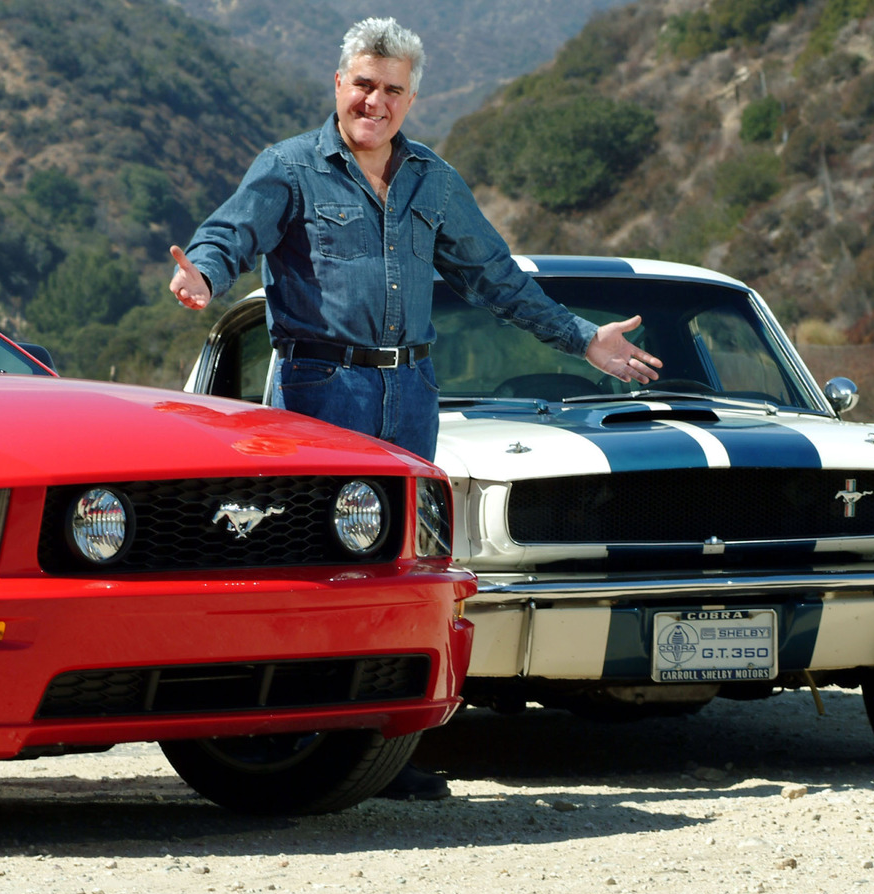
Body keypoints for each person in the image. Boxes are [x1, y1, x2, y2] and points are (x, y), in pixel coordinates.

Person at [168, 17, 662, 799]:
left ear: (411, 99)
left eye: (392, 90)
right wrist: (203, 269)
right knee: (317, 570)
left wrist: (581, 338)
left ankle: (385, 750)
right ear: (339, 84)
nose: (376, 101)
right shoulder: (289, 167)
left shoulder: (433, 180)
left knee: (401, 571)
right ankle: (293, 743)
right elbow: (231, 232)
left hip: (409, 396)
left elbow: (496, 277)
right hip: (319, 393)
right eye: (364, 84)